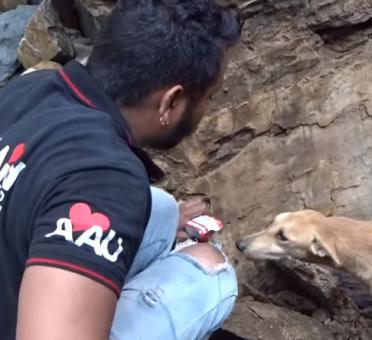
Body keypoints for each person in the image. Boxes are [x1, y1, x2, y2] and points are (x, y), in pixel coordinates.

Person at [0, 0, 242, 339]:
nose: (207, 109)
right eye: (208, 97)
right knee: (211, 270)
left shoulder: (33, 88)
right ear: (170, 102)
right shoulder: (105, 178)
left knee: (160, 208)